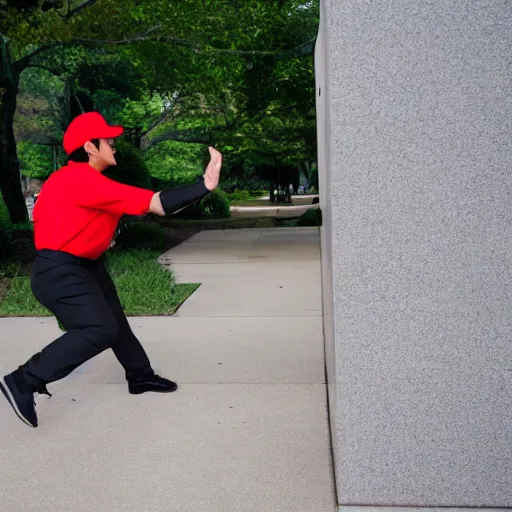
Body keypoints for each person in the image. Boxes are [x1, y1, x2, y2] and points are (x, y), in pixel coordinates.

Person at [0, 111, 222, 428]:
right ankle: (24, 380)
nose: (115, 145)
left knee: (113, 318)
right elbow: (156, 203)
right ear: (90, 147)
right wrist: (205, 185)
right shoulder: (82, 180)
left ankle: (139, 376)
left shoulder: (73, 179)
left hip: (82, 265)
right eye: (109, 140)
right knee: (99, 329)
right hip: (61, 271)